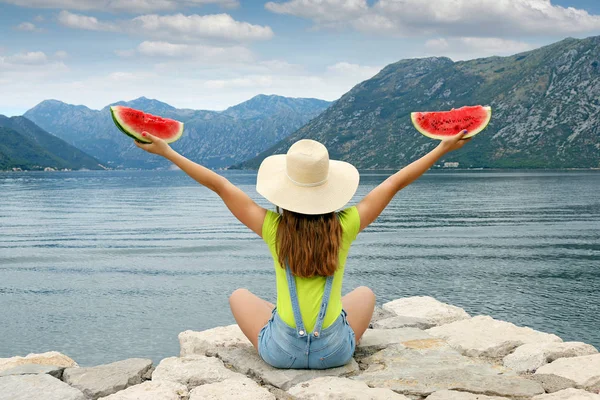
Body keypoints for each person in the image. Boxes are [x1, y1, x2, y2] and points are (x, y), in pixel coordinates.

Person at [134, 129, 471, 369]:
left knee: (239, 295)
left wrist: (167, 151)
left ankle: (286, 321)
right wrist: (441, 148)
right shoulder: (346, 225)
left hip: (280, 354)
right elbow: (394, 182)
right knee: (365, 293)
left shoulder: (272, 228)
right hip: (335, 353)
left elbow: (220, 185)